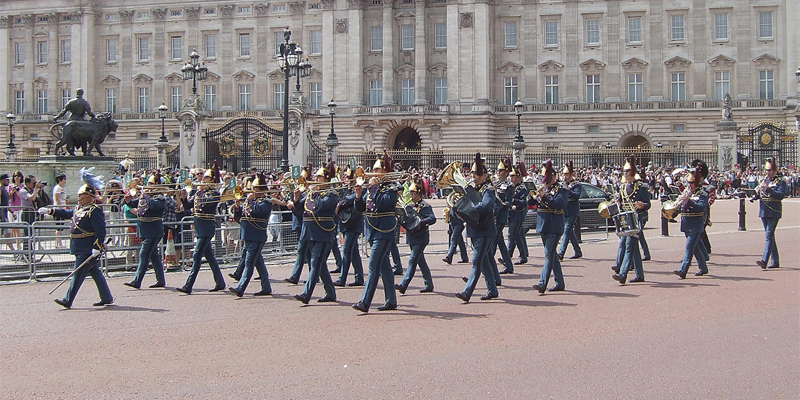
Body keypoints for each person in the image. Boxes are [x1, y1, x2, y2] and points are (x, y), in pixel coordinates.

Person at [41, 169, 113, 309]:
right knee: (95, 272)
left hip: (87, 247)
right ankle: (106, 297)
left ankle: (68, 300)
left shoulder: (94, 210)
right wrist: (50, 210)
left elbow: (100, 231)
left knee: (78, 273)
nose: (79, 197)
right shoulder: (79, 208)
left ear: (89, 196)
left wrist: (97, 246)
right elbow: (67, 213)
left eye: (82, 195)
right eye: (79, 195)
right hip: (78, 246)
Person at [352, 152, 399, 313]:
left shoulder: (392, 188)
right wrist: (358, 196)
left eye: (377, 170)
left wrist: (372, 187)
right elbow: (360, 209)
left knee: (373, 265)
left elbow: (381, 203)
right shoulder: (373, 188)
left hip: (384, 230)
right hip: (373, 230)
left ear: (385, 172)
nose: (373, 173)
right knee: (384, 266)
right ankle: (391, 300)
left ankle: (365, 302)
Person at [291, 160, 339, 304]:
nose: (316, 180)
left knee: (315, 262)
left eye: (319, 178)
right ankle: (330, 292)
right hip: (310, 232)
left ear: (326, 180)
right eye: (316, 177)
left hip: (323, 233)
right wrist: (296, 199)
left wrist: (314, 193)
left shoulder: (331, 194)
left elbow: (320, 207)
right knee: (320, 264)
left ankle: (306, 294)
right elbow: (300, 210)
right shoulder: (313, 193)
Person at [455, 152, 499, 303]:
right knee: (485, 261)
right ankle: (493, 290)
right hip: (474, 228)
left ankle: (467, 292)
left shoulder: (489, 189)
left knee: (476, 261)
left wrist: (470, 211)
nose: (473, 175)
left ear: (484, 175)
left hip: (485, 230)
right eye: (472, 172)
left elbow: (486, 205)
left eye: (476, 173)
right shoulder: (471, 189)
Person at [176, 163, 226, 294]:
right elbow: (188, 206)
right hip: (199, 227)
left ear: (212, 180)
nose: (202, 179)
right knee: (210, 257)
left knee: (196, 255)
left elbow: (207, 204)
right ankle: (220, 282)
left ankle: (188, 285)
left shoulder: (214, 193)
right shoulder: (201, 191)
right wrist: (184, 197)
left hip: (206, 227)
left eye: (206, 178)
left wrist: (200, 192)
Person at [228, 173, 274, 297]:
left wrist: (250, 200)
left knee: (249, 262)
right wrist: (237, 207)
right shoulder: (250, 201)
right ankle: (266, 287)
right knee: (258, 262)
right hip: (248, 235)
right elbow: (241, 217)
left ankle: (241, 288)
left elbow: (258, 212)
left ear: (261, 189)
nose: (252, 190)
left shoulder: (266, 202)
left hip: (257, 236)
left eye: (255, 188)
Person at [123, 173, 167, 289]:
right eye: (149, 183)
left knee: (144, 254)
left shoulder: (161, 198)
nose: (148, 186)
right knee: (154, 256)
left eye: (151, 184)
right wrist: (128, 201)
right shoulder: (146, 196)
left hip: (153, 230)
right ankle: (160, 280)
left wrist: (146, 196)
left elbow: (153, 206)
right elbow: (136, 203)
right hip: (145, 229)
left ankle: (137, 281)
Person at [611, 156, 651, 284]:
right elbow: (622, 204)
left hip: (636, 218)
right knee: (633, 248)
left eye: (627, 171)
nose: (625, 174)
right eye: (624, 172)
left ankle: (623, 274)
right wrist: (617, 203)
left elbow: (648, 204)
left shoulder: (641, 187)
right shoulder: (623, 187)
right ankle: (639, 274)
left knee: (629, 246)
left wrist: (642, 205)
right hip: (626, 219)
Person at [532, 160, 568, 293]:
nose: (545, 180)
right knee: (552, 255)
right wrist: (533, 195)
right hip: (543, 224)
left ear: (554, 176)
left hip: (554, 225)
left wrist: (544, 197)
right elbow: (531, 202)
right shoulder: (543, 188)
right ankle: (560, 283)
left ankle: (542, 283)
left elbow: (559, 204)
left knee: (548, 254)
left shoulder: (562, 189)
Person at [395, 178, 436, 294]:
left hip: (421, 237)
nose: (411, 195)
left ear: (419, 193)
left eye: (413, 193)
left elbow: (432, 219)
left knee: (412, 260)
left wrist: (421, 222)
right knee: (421, 261)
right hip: (412, 236)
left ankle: (404, 284)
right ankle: (429, 285)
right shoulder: (410, 206)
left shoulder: (425, 206)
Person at [673, 163, 709, 279]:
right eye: (688, 182)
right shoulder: (686, 192)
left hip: (696, 224)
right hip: (686, 223)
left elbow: (701, 207)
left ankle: (683, 270)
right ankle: (703, 268)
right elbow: (681, 207)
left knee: (689, 248)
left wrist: (689, 201)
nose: (689, 185)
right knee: (696, 248)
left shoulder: (703, 193)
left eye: (692, 183)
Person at [334, 167, 365, 287]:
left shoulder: (360, 188)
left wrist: (341, 203)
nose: (348, 180)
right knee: (354, 252)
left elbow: (350, 200)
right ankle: (359, 278)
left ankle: (342, 278)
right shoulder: (346, 189)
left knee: (346, 251)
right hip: (345, 223)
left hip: (354, 223)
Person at [755, 157, 788, 269]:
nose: (767, 172)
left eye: (769, 170)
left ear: (774, 171)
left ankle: (764, 260)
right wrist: (756, 194)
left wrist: (769, 189)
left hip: (774, 211)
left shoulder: (781, 182)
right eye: (766, 170)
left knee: (769, 236)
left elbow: (780, 195)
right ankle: (775, 261)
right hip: (764, 210)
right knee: (770, 237)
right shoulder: (765, 180)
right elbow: (760, 192)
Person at [557, 161, 583, 261]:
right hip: (564, 210)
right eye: (564, 174)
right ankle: (578, 251)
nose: (565, 176)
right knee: (570, 232)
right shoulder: (562, 184)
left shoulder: (577, 184)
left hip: (572, 210)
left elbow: (576, 196)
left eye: (567, 174)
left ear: (571, 174)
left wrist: (567, 190)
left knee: (566, 230)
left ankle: (561, 253)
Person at [494, 157, 515, 275]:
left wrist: (502, 204)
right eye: (498, 170)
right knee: (500, 242)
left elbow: (508, 202)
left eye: (501, 170)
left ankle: (483, 267)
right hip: (494, 215)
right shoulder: (495, 183)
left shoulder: (509, 185)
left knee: (492, 243)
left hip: (501, 216)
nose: (498, 172)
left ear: (507, 172)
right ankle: (509, 265)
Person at [507, 161, 529, 266]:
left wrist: (513, 201)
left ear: (519, 177)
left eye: (513, 176)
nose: (511, 178)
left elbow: (524, 202)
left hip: (518, 214)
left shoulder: (522, 188)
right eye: (510, 176)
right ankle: (523, 256)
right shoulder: (510, 187)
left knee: (511, 235)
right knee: (517, 236)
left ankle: (507, 256)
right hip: (511, 214)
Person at [53, 174, 68, 247]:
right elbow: (57, 199)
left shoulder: (61, 188)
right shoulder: (57, 188)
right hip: (59, 210)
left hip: (62, 209)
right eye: (64, 179)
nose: (65, 181)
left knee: (60, 227)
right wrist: (61, 208)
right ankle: (59, 243)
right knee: (58, 227)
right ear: (60, 180)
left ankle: (58, 243)